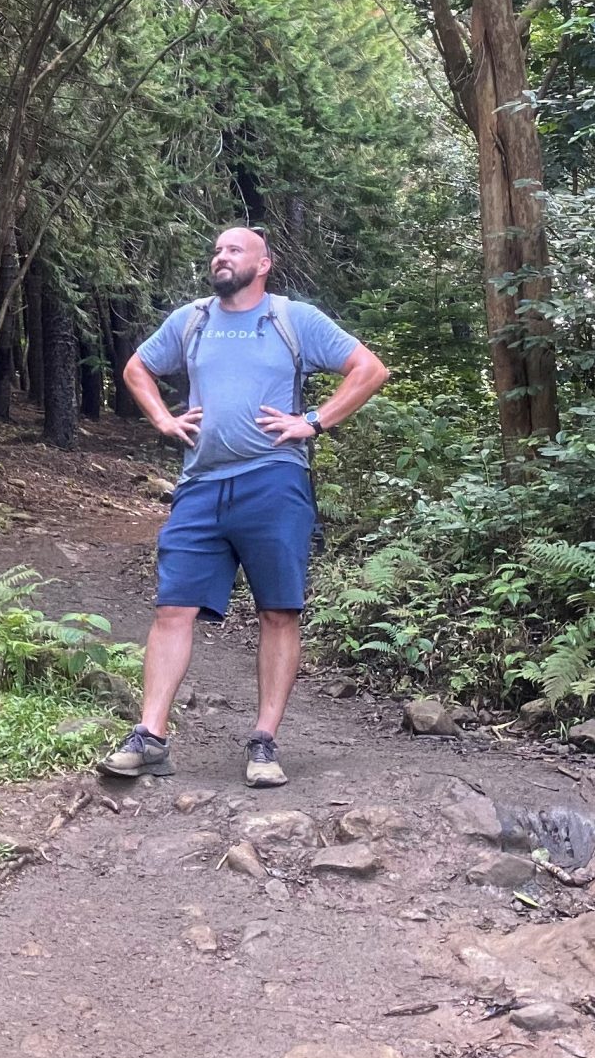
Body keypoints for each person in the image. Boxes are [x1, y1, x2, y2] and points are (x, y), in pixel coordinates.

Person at [99, 226, 390, 788]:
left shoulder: (293, 319)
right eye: (216, 250)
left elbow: (369, 369)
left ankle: (263, 741)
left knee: (278, 611)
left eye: (234, 250)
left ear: (263, 264)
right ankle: (151, 736)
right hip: (199, 486)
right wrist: (162, 418)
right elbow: (138, 368)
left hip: (274, 482)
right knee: (172, 608)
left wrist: (312, 421)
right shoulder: (192, 320)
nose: (220, 257)